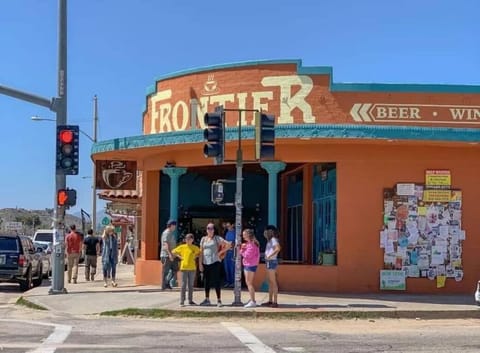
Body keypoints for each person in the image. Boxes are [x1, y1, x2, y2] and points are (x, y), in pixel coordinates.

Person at [198, 222, 231, 307]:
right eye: (208, 228)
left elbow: (229, 244)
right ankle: (207, 299)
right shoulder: (203, 239)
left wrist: (221, 252)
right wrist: (200, 264)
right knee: (206, 281)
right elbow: (200, 252)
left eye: (211, 228)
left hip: (215, 261)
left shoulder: (217, 238)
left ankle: (219, 300)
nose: (209, 230)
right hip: (205, 262)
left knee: (216, 281)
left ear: (214, 230)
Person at [171, 233, 201, 306]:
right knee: (183, 285)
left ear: (192, 240)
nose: (188, 240)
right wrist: (179, 256)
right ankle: (182, 301)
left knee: (191, 285)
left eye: (190, 239)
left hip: (192, 268)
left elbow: (200, 253)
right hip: (184, 268)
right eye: (187, 239)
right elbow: (173, 251)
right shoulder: (182, 247)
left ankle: (190, 300)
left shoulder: (195, 247)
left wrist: (196, 256)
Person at [240, 228, 260, 308]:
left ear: (248, 235)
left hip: (250, 265)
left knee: (249, 283)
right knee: (249, 283)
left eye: (244, 234)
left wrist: (241, 250)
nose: (243, 236)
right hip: (250, 265)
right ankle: (252, 300)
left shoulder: (252, 244)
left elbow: (247, 256)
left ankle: (253, 301)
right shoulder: (250, 243)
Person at [263, 225, 281, 307]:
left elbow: (278, 248)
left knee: (273, 282)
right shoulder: (270, 241)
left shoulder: (273, 240)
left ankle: (275, 302)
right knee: (270, 282)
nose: (265, 233)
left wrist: (269, 256)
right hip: (269, 262)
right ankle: (270, 300)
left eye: (266, 231)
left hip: (271, 261)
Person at [160, 219, 177, 290]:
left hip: (172, 255)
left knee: (175, 269)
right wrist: (169, 254)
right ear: (171, 225)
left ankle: (166, 282)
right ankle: (164, 285)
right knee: (166, 271)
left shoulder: (171, 233)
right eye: (174, 225)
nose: (175, 227)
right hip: (166, 255)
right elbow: (165, 244)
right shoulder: (166, 233)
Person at [223, 221, 236, 288]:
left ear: (232, 225)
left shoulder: (235, 233)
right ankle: (228, 282)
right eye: (227, 226)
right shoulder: (227, 233)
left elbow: (235, 243)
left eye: (228, 226)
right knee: (226, 268)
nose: (227, 227)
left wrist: (231, 244)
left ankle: (233, 282)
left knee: (232, 268)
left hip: (232, 252)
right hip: (226, 252)